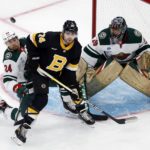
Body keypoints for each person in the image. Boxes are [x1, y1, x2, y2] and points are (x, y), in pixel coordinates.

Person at [12, 20, 95, 145]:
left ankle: (82, 110)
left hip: (58, 73)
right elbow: (31, 38)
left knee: (75, 89)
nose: (69, 37)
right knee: (41, 99)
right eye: (67, 33)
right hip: (40, 71)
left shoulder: (77, 48)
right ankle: (23, 128)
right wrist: (34, 57)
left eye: (73, 34)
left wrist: (71, 86)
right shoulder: (51, 38)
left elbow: (70, 71)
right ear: (63, 32)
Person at [77, 16, 150, 97]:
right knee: (84, 66)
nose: (113, 32)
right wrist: (84, 73)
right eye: (112, 29)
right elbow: (86, 56)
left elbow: (146, 53)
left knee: (148, 57)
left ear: (124, 30)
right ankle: (82, 92)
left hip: (131, 64)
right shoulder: (102, 37)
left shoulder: (135, 36)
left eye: (117, 30)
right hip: (109, 65)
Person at [0, 31, 33, 125]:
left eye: (14, 40)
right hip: (23, 83)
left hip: (33, 74)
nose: (13, 43)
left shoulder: (24, 41)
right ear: (6, 44)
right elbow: (7, 81)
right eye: (9, 42)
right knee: (24, 116)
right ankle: (4, 108)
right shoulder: (10, 59)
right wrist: (18, 88)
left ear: (17, 38)